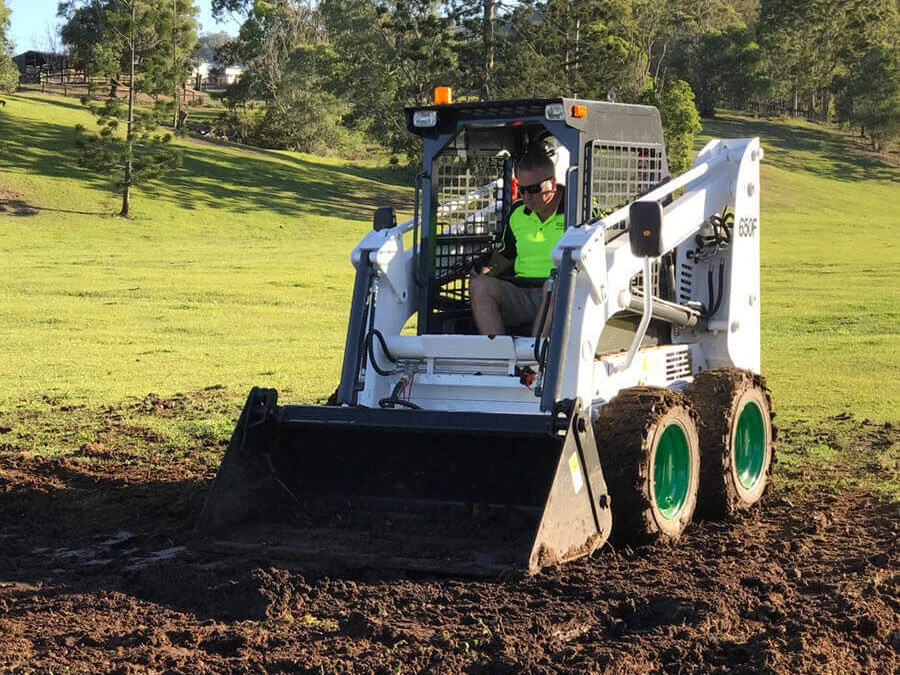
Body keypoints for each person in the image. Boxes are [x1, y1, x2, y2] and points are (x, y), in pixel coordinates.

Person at [469, 149, 565, 336]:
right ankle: (499, 360)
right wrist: (484, 271)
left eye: (533, 189)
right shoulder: (517, 211)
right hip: (521, 292)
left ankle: (533, 362)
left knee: (556, 285)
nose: (526, 196)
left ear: (552, 183)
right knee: (480, 286)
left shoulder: (579, 208)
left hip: (562, 295)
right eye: (521, 189)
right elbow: (506, 254)